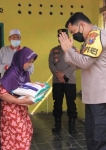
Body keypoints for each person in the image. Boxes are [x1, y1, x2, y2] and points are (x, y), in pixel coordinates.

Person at [59, 12, 106, 150]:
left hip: (100, 97)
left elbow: (85, 63)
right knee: (91, 135)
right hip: (92, 97)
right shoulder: (89, 40)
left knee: (100, 138)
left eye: (73, 31)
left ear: (82, 25)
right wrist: (69, 52)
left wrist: (69, 51)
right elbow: (80, 65)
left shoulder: (96, 36)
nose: (73, 35)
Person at [0, 29, 34, 148]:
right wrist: (6, 67)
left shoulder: (25, 52)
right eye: (13, 37)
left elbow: (30, 69)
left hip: (20, 90)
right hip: (7, 87)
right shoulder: (4, 50)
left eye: (18, 37)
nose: (16, 39)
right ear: (9, 38)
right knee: (10, 124)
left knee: (23, 127)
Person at [0, 47, 38, 150]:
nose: (30, 64)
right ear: (21, 59)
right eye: (28, 61)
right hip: (10, 110)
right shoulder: (11, 73)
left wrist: (36, 91)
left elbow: (25, 88)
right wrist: (20, 101)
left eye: (32, 62)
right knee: (21, 134)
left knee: (26, 131)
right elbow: (2, 94)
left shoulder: (24, 73)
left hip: (21, 108)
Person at [48, 28, 77, 134]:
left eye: (64, 35)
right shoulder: (53, 50)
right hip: (57, 81)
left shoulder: (73, 49)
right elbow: (51, 64)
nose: (61, 38)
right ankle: (57, 124)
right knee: (57, 102)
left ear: (68, 37)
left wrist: (63, 74)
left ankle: (72, 125)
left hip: (70, 81)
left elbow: (76, 64)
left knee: (71, 102)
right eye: (59, 36)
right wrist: (58, 75)